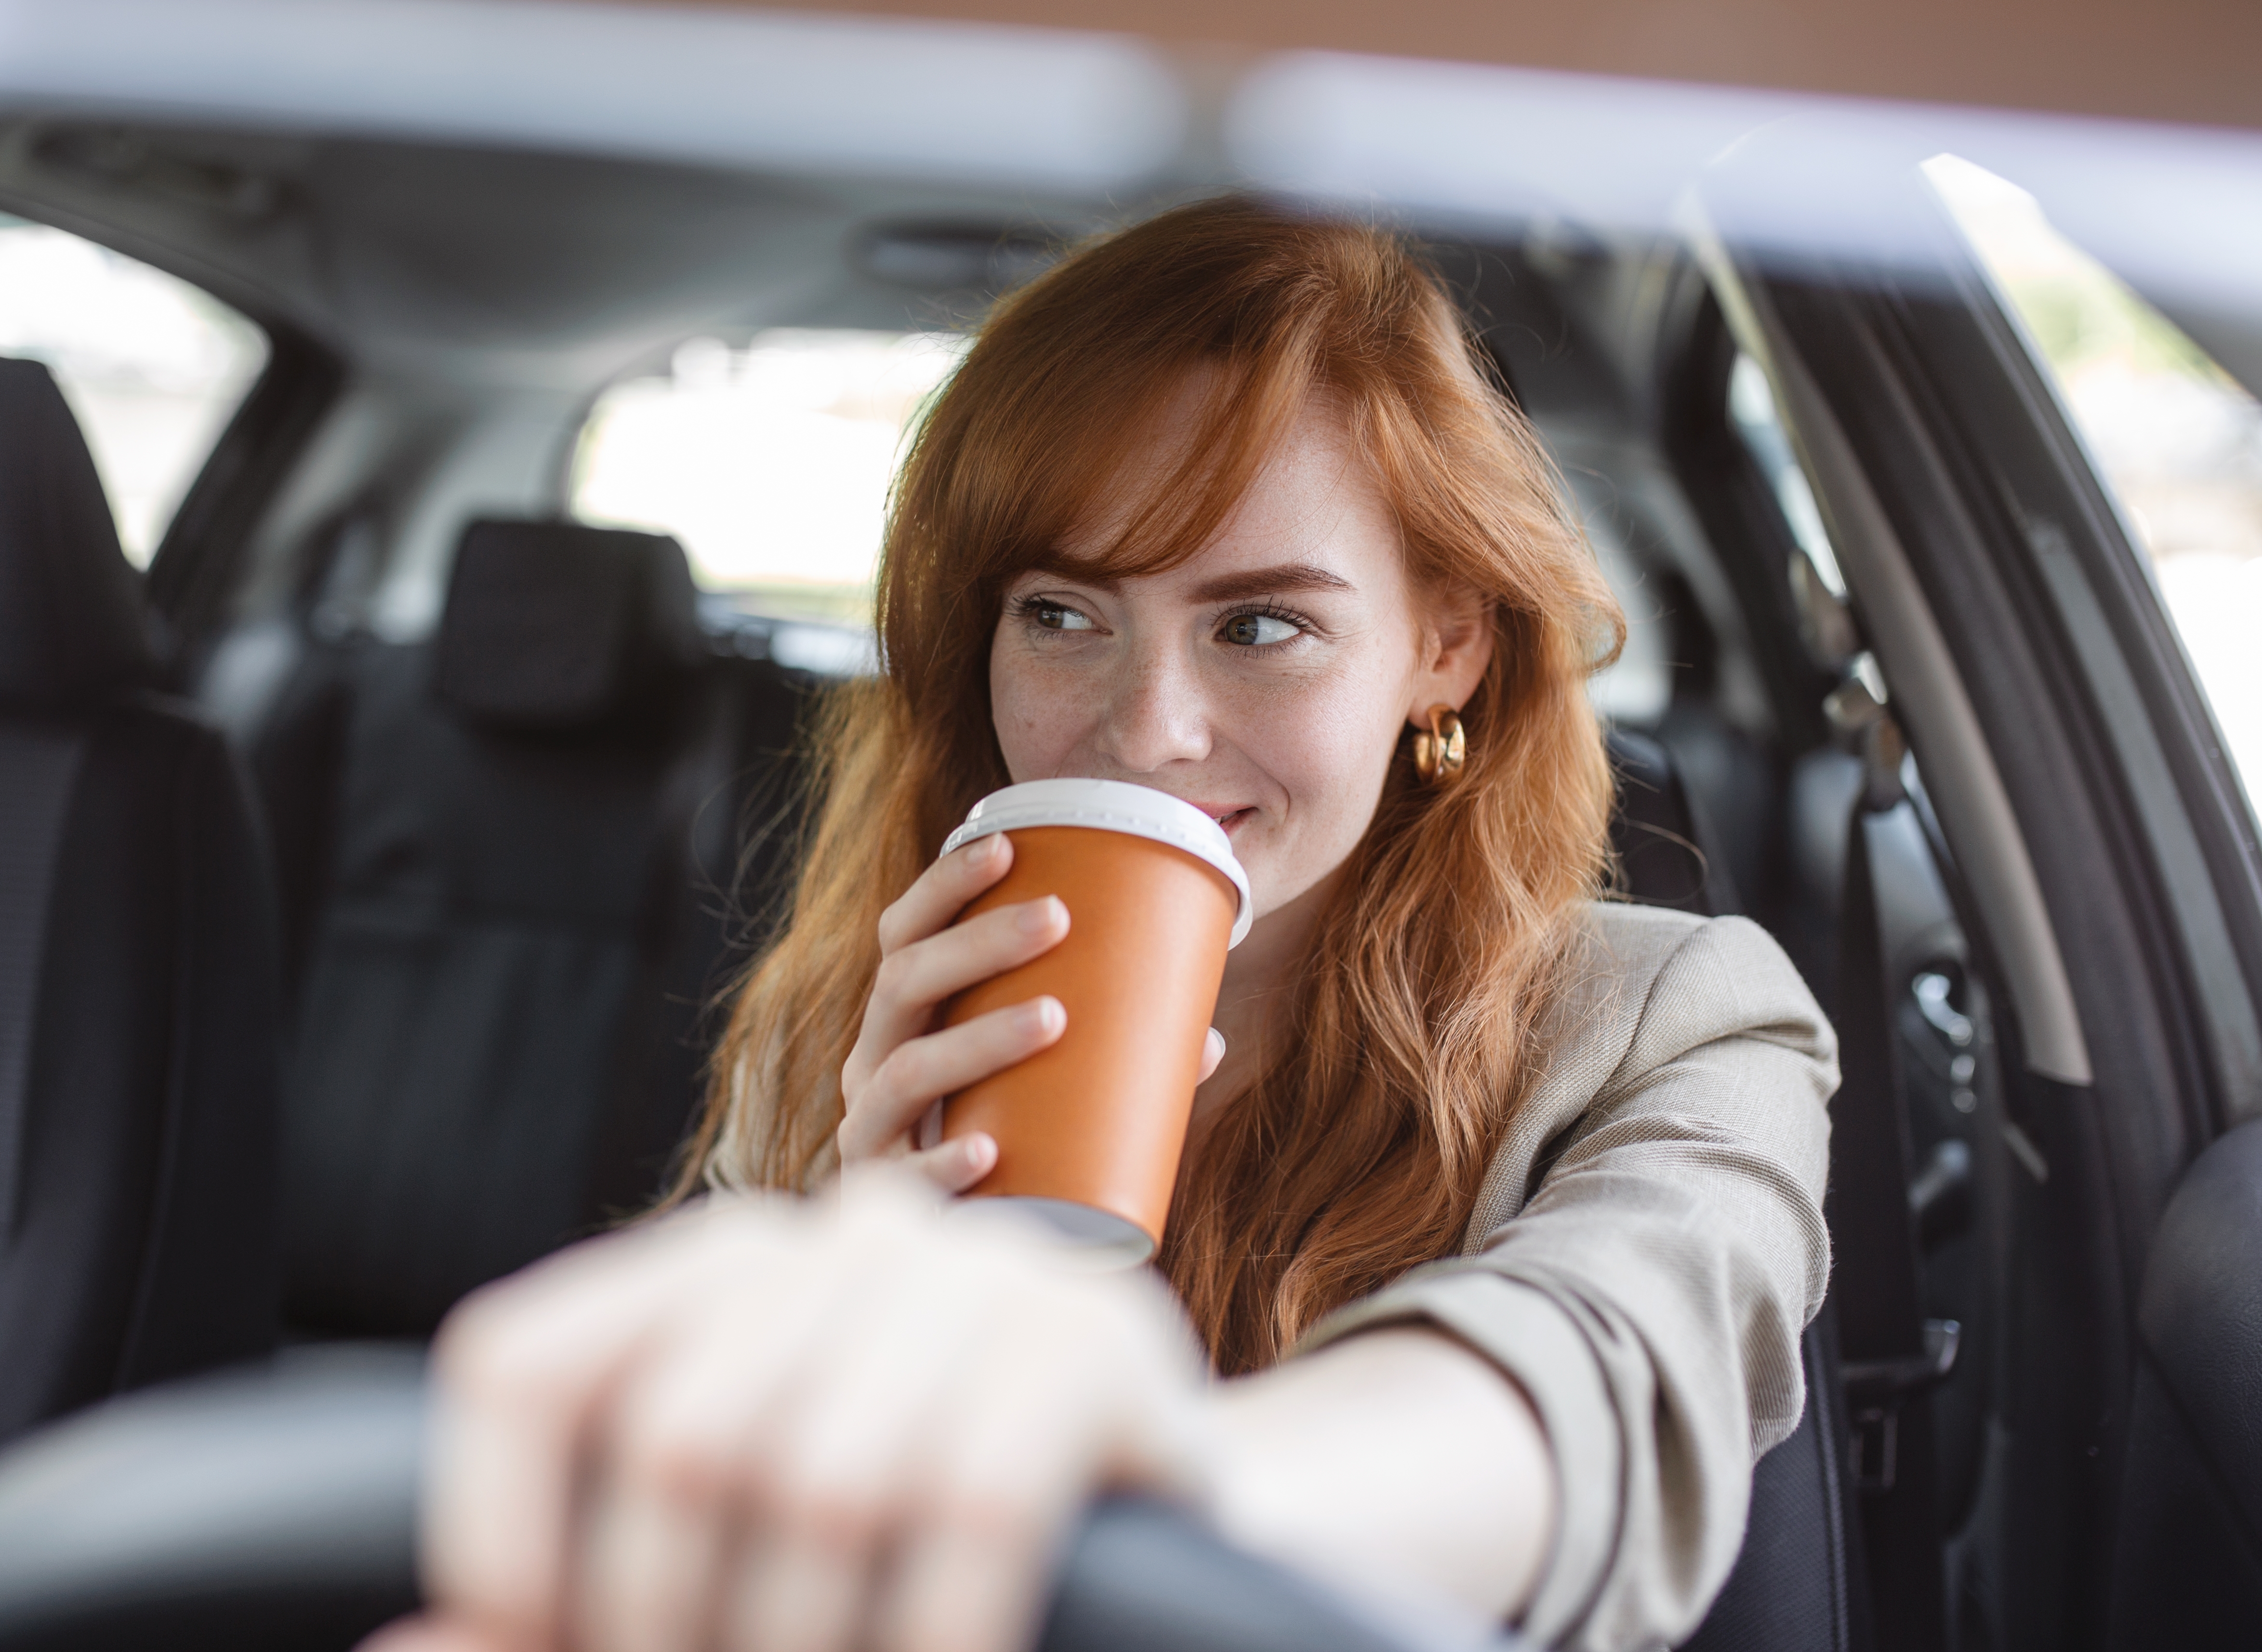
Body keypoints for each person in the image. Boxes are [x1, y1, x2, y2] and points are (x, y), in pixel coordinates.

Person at [374, 197, 1836, 1652]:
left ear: (1443, 648)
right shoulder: (868, 1019)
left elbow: (1590, 1384)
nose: (1148, 732)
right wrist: (870, 1239)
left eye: (1261, 626)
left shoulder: (1680, 1027)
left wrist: (1159, 1489)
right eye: (1064, 614)